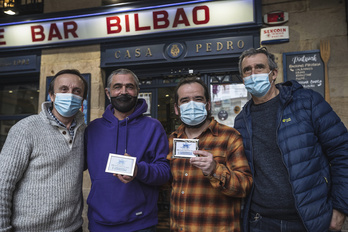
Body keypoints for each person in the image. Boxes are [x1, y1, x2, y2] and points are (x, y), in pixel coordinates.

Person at [234, 47, 348, 232]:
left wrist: (341, 208)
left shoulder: (307, 103)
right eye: (247, 70)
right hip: (260, 221)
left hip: (310, 219)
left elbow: (343, 152)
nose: (253, 74)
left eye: (259, 67)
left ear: (273, 73)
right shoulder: (241, 120)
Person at [0, 69, 88, 232]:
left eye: (77, 91)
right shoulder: (26, 129)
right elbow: (3, 183)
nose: (70, 95)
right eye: (63, 89)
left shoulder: (84, 132)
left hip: (73, 228)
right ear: (52, 95)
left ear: (82, 98)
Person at [84, 68, 171, 232]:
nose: (123, 92)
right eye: (117, 87)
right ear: (108, 92)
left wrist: (138, 169)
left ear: (137, 91)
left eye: (129, 86)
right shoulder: (92, 129)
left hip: (141, 224)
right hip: (99, 223)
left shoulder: (153, 127)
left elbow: (164, 172)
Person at [167, 77, 253, 232]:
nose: (191, 104)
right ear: (176, 108)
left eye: (198, 99)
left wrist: (215, 170)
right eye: (185, 100)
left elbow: (244, 186)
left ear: (207, 105)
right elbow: (166, 183)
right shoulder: (172, 141)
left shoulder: (229, 137)